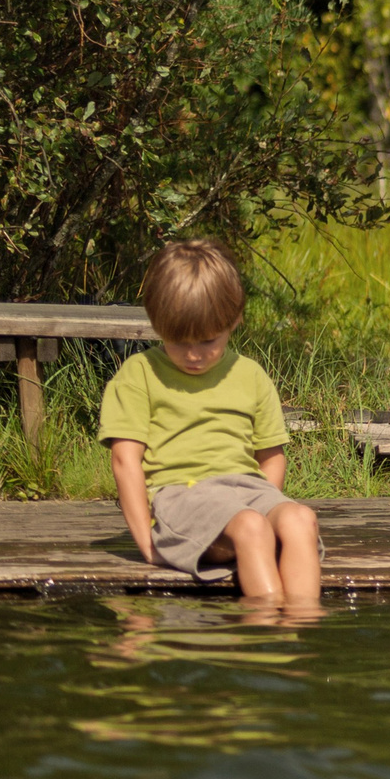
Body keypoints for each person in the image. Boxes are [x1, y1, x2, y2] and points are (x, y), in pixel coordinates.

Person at [100, 238, 323, 609]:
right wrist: (146, 544)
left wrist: (268, 514)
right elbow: (126, 462)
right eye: (177, 341)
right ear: (157, 324)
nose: (192, 355)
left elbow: (271, 456)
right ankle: (265, 634)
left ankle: (299, 633)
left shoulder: (250, 375)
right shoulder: (139, 374)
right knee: (250, 526)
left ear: (233, 320)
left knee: (300, 517)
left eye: (207, 341)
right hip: (182, 497)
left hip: (245, 493)